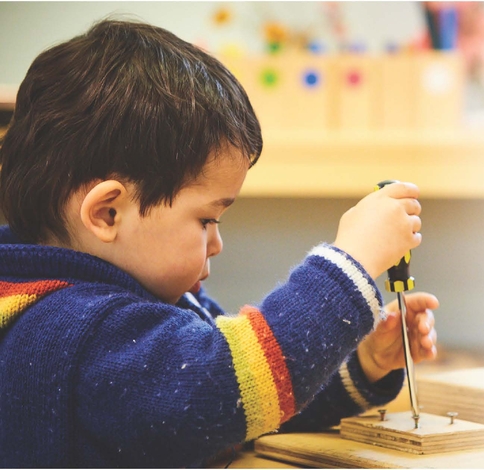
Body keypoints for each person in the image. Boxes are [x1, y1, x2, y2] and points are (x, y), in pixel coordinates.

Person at [0, 19, 438, 467]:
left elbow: (247, 409)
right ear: (107, 213)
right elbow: (220, 389)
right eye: (206, 219)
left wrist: (363, 362)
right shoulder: (73, 332)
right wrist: (350, 264)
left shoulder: (136, 303)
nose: (217, 243)